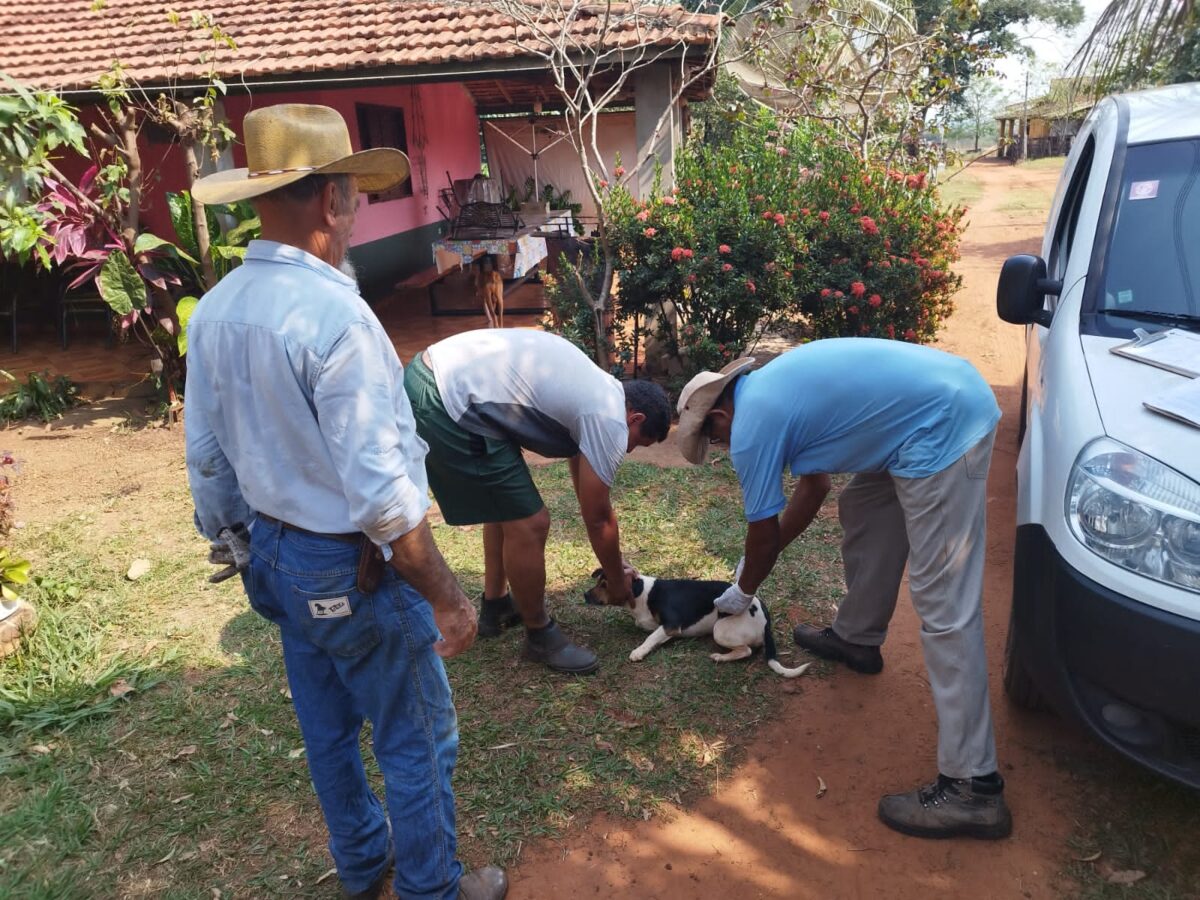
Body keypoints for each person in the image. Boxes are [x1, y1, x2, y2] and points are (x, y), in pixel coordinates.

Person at [184, 103, 507, 899]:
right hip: (349, 564)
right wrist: (449, 596)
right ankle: (433, 889)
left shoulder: (220, 306)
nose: (358, 210)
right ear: (332, 201)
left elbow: (206, 454)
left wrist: (236, 540)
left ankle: (364, 865)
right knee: (417, 735)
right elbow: (385, 501)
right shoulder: (337, 319)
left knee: (327, 728)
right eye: (354, 194)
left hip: (274, 553)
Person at [675, 338, 1011, 840]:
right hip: (929, 412)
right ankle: (856, 637)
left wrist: (743, 589)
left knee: (945, 601)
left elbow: (764, 531)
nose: (724, 448)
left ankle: (973, 786)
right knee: (866, 505)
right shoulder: (775, 394)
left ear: (719, 417)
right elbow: (815, 491)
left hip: (942, 426)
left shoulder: (751, 425)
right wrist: (753, 565)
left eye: (715, 440)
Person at [404, 329, 672, 674]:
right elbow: (599, 518)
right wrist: (617, 581)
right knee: (530, 522)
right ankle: (538, 635)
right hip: (446, 398)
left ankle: (497, 606)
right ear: (635, 419)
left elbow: (587, 493)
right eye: (637, 442)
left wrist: (613, 564)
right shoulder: (608, 418)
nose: (628, 449)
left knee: (506, 507)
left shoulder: (599, 391)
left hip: (438, 375)